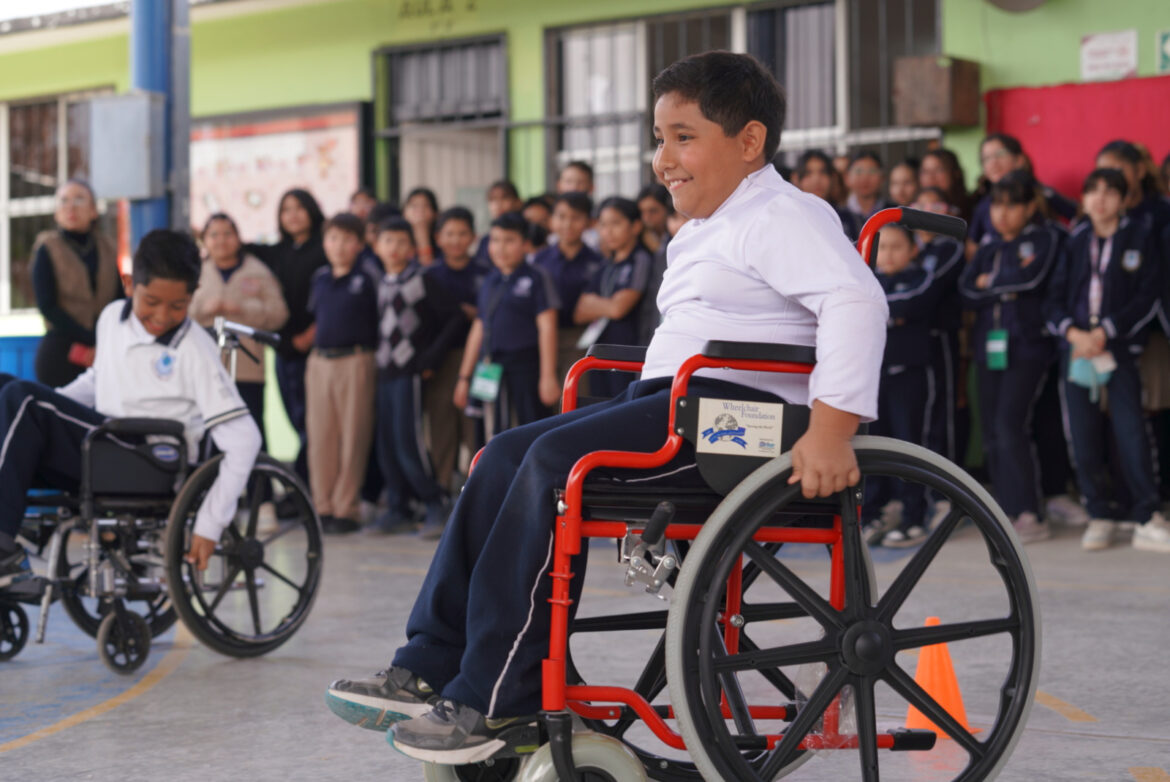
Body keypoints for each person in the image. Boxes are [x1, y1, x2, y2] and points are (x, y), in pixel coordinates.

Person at [324, 51, 887, 765]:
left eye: (684, 136)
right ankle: (434, 657)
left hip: (737, 420)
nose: (663, 159)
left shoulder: (782, 213)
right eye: (659, 138)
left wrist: (834, 430)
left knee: (555, 467)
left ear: (749, 142)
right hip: (676, 403)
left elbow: (856, 300)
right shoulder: (704, 228)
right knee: (499, 456)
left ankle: (502, 693)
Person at [0, 230, 262, 587]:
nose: (161, 315)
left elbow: (244, 439)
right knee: (8, 391)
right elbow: (97, 380)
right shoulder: (111, 319)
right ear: (128, 284)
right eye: (151, 300)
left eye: (177, 306)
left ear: (192, 296)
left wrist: (209, 524)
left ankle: (3, 551)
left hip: (152, 459)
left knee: (23, 400)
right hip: (107, 447)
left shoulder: (195, 349)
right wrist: (46, 406)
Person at [1045, 168, 1168, 552]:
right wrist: (1073, 333)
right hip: (1078, 350)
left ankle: (1147, 515)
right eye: (1092, 191)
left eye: (1110, 192)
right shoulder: (1074, 241)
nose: (1100, 199)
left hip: (1117, 351)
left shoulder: (1140, 237)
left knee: (1132, 432)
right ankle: (1100, 513)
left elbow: (1148, 295)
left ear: (1123, 199)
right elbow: (1054, 298)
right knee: (1081, 435)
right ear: (1082, 199)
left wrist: (1107, 331)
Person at [959, 171, 1060, 543]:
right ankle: (1005, 511)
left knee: (1010, 425)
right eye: (997, 205)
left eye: (1012, 205)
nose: (1003, 213)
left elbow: (1032, 281)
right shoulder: (987, 247)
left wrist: (992, 284)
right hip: (989, 347)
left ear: (1030, 207)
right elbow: (967, 290)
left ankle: (1030, 512)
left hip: (1027, 346)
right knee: (991, 429)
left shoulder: (1044, 238)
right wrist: (998, 285)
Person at [370, 218, 462, 539]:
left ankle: (435, 500)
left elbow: (455, 317)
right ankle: (399, 508)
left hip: (409, 371)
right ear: (376, 246)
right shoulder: (382, 281)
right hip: (384, 371)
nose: (394, 248)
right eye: (387, 241)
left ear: (412, 248)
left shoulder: (422, 280)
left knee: (409, 440)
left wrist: (431, 357)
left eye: (400, 242)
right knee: (387, 444)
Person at [862, 224, 938, 548]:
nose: (888, 254)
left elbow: (911, 303)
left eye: (897, 247)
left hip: (910, 375)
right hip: (873, 377)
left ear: (913, 250)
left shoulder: (922, 277)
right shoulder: (865, 279)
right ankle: (874, 514)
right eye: (883, 247)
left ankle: (914, 517)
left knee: (910, 444)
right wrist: (892, 315)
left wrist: (880, 312)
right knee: (874, 445)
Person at [304, 213, 381, 535]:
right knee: (321, 437)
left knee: (353, 435)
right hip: (320, 362)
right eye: (333, 238)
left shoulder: (368, 276)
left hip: (356, 361)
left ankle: (346, 508)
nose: (339, 246)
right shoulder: (320, 278)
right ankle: (321, 506)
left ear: (360, 244)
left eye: (348, 239)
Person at [453, 212, 560, 438]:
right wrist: (464, 377)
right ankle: (495, 475)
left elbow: (547, 327)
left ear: (525, 244)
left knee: (528, 428)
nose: (500, 248)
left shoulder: (536, 277)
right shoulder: (490, 280)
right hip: (490, 366)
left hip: (525, 366)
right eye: (495, 240)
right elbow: (479, 327)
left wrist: (548, 375)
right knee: (491, 430)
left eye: (509, 241)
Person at [246, 188, 327, 485]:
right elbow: (242, 250)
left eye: (299, 208)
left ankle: (307, 486)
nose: (292, 215)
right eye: (286, 210)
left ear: (312, 211)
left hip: (315, 349)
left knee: (312, 423)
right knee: (296, 420)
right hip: (284, 350)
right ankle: (302, 486)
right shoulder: (277, 252)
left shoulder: (324, 249)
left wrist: (313, 333)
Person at [189, 213, 288, 450]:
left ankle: (258, 486)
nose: (221, 240)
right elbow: (179, 314)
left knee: (251, 433)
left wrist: (242, 309)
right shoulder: (196, 272)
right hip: (207, 369)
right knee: (208, 436)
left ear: (238, 237)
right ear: (204, 240)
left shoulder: (257, 270)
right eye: (214, 235)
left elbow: (279, 314)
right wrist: (204, 309)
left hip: (247, 369)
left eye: (227, 234)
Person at [31, 179, 122, 388]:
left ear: (93, 211)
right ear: (56, 212)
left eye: (79, 199)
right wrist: (89, 338)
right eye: (63, 201)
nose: (70, 206)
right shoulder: (47, 248)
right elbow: (47, 306)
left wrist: (102, 341)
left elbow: (118, 298)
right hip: (61, 352)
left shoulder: (106, 247)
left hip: (104, 349)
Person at [425, 207, 487, 495]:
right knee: (441, 426)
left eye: (463, 233)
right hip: (441, 361)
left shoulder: (485, 272)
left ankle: (476, 488)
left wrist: (469, 313)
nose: (456, 240)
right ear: (438, 238)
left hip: (479, 360)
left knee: (475, 426)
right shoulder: (429, 275)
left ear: (473, 237)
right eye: (449, 234)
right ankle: (441, 490)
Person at [573, 196, 652, 397]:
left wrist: (597, 304)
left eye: (616, 223)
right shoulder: (606, 264)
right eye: (603, 225)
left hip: (629, 352)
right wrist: (608, 304)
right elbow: (580, 311)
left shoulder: (640, 259)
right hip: (600, 350)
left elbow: (619, 309)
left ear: (635, 226)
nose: (608, 231)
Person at [912, 188, 965, 471]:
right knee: (917, 413)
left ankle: (948, 485)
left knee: (942, 411)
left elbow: (926, 291)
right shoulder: (909, 246)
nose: (928, 208)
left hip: (940, 337)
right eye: (922, 202)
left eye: (936, 203)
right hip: (910, 341)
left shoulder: (951, 247)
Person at [533, 192, 603, 386]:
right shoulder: (539, 260)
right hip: (541, 338)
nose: (567, 224)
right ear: (551, 220)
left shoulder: (597, 262)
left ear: (589, 222)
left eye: (576, 218)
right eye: (561, 216)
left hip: (580, 340)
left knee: (574, 394)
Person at [795, 149, 860, 240]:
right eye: (808, 173)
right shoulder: (792, 217)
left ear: (832, 177)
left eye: (823, 172)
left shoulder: (847, 218)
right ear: (797, 179)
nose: (816, 179)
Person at [474, 180, 524, 270]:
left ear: (518, 202)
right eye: (492, 199)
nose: (498, 204)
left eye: (504, 198)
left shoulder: (527, 232)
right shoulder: (486, 240)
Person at [918, 148, 971, 220]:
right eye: (925, 171)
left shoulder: (972, 209)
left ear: (955, 173)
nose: (930, 177)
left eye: (939, 170)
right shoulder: (913, 209)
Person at [844, 151, 890, 224]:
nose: (865, 178)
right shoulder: (838, 215)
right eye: (858, 171)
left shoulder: (893, 212)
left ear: (882, 178)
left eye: (872, 171)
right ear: (847, 178)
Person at [403, 187, 441, 267]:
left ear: (435, 214)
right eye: (414, 205)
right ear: (404, 212)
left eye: (426, 205)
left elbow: (430, 272)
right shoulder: (397, 236)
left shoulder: (441, 240)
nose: (420, 210)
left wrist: (423, 238)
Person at [636, 182, 673, 253]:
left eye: (653, 211)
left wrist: (658, 249)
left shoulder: (677, 233)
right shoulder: (637, 238)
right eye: (642, 212)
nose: (646, 217)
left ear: (667, 209)